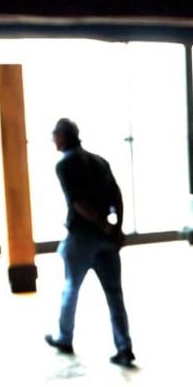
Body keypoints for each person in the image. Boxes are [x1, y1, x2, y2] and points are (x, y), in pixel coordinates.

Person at [44, 118, 135, 367]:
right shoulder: (99, 161)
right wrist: (116, 228)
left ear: (63, 136)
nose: (52, 139)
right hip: (107, 240)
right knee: (115, 293)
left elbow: (78, 203)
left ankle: (64, 337)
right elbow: (117, 194)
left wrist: (104, 226)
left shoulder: (65, 165)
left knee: (71, 288)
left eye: (54, 134)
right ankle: (124, 346)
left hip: (82, 237)